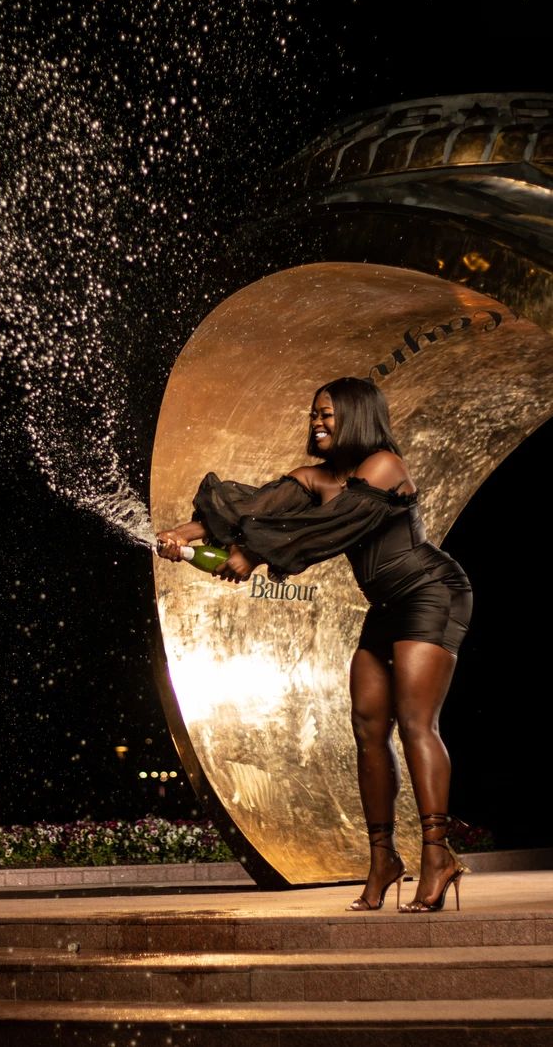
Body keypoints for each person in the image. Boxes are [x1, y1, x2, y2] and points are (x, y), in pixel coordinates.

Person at [157, 376, 473, 913]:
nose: (318, 422)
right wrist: (185, 535)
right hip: (386, 607)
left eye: (327, 413)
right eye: (314, 415)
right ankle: (383, 860)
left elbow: (327, 530)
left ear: (357, 415)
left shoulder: (383, 467)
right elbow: (260, 506)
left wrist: (254, 555)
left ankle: (437, 855)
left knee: (416, 722)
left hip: (431, 593)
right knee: (369, 728)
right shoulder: (314, 476)